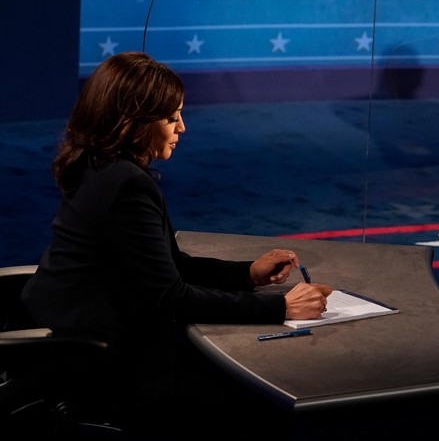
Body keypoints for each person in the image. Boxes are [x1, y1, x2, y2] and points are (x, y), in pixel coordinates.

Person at [21, 51, 333, 436]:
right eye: (171, 118)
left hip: (65, 334)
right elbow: (171, 297)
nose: (182, 127)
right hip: (101, 361)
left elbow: (166, 264)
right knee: (253, 402)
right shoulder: (126, 185)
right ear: (133, 122)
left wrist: (246, 274)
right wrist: (282, 306)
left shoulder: (96, 163)